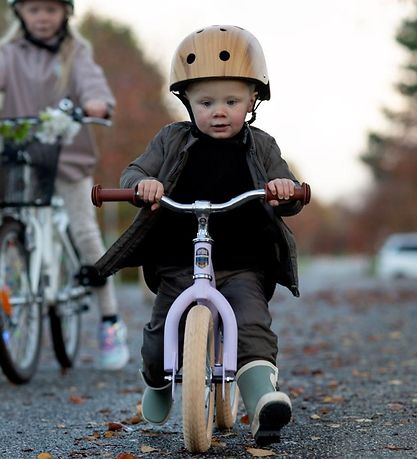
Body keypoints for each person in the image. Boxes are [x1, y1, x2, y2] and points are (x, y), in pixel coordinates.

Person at [96, 25, 304, 444]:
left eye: (232, 101)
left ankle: (264, 400)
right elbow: (136, 171)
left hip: (244, 263)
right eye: (206, 102)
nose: (219, 111)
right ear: (187, 101)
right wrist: (142, 185)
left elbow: (288, 187)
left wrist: (285, 191)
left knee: (251, 326)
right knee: (159, 336)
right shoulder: (171, 139)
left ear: (252, 100)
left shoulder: (261, 146)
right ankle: (156, 382)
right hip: (177, 263)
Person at [0, 0, 129, 370]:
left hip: (67, 158)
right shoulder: (9, 54)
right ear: (20, 13)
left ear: (65, 14)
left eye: (51, 10)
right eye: (34, 9)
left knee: (85, 232)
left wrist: (95, 104)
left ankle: (110, 321)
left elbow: (94, 89)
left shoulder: (77, 53)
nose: (42, 17)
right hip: (20, 157)